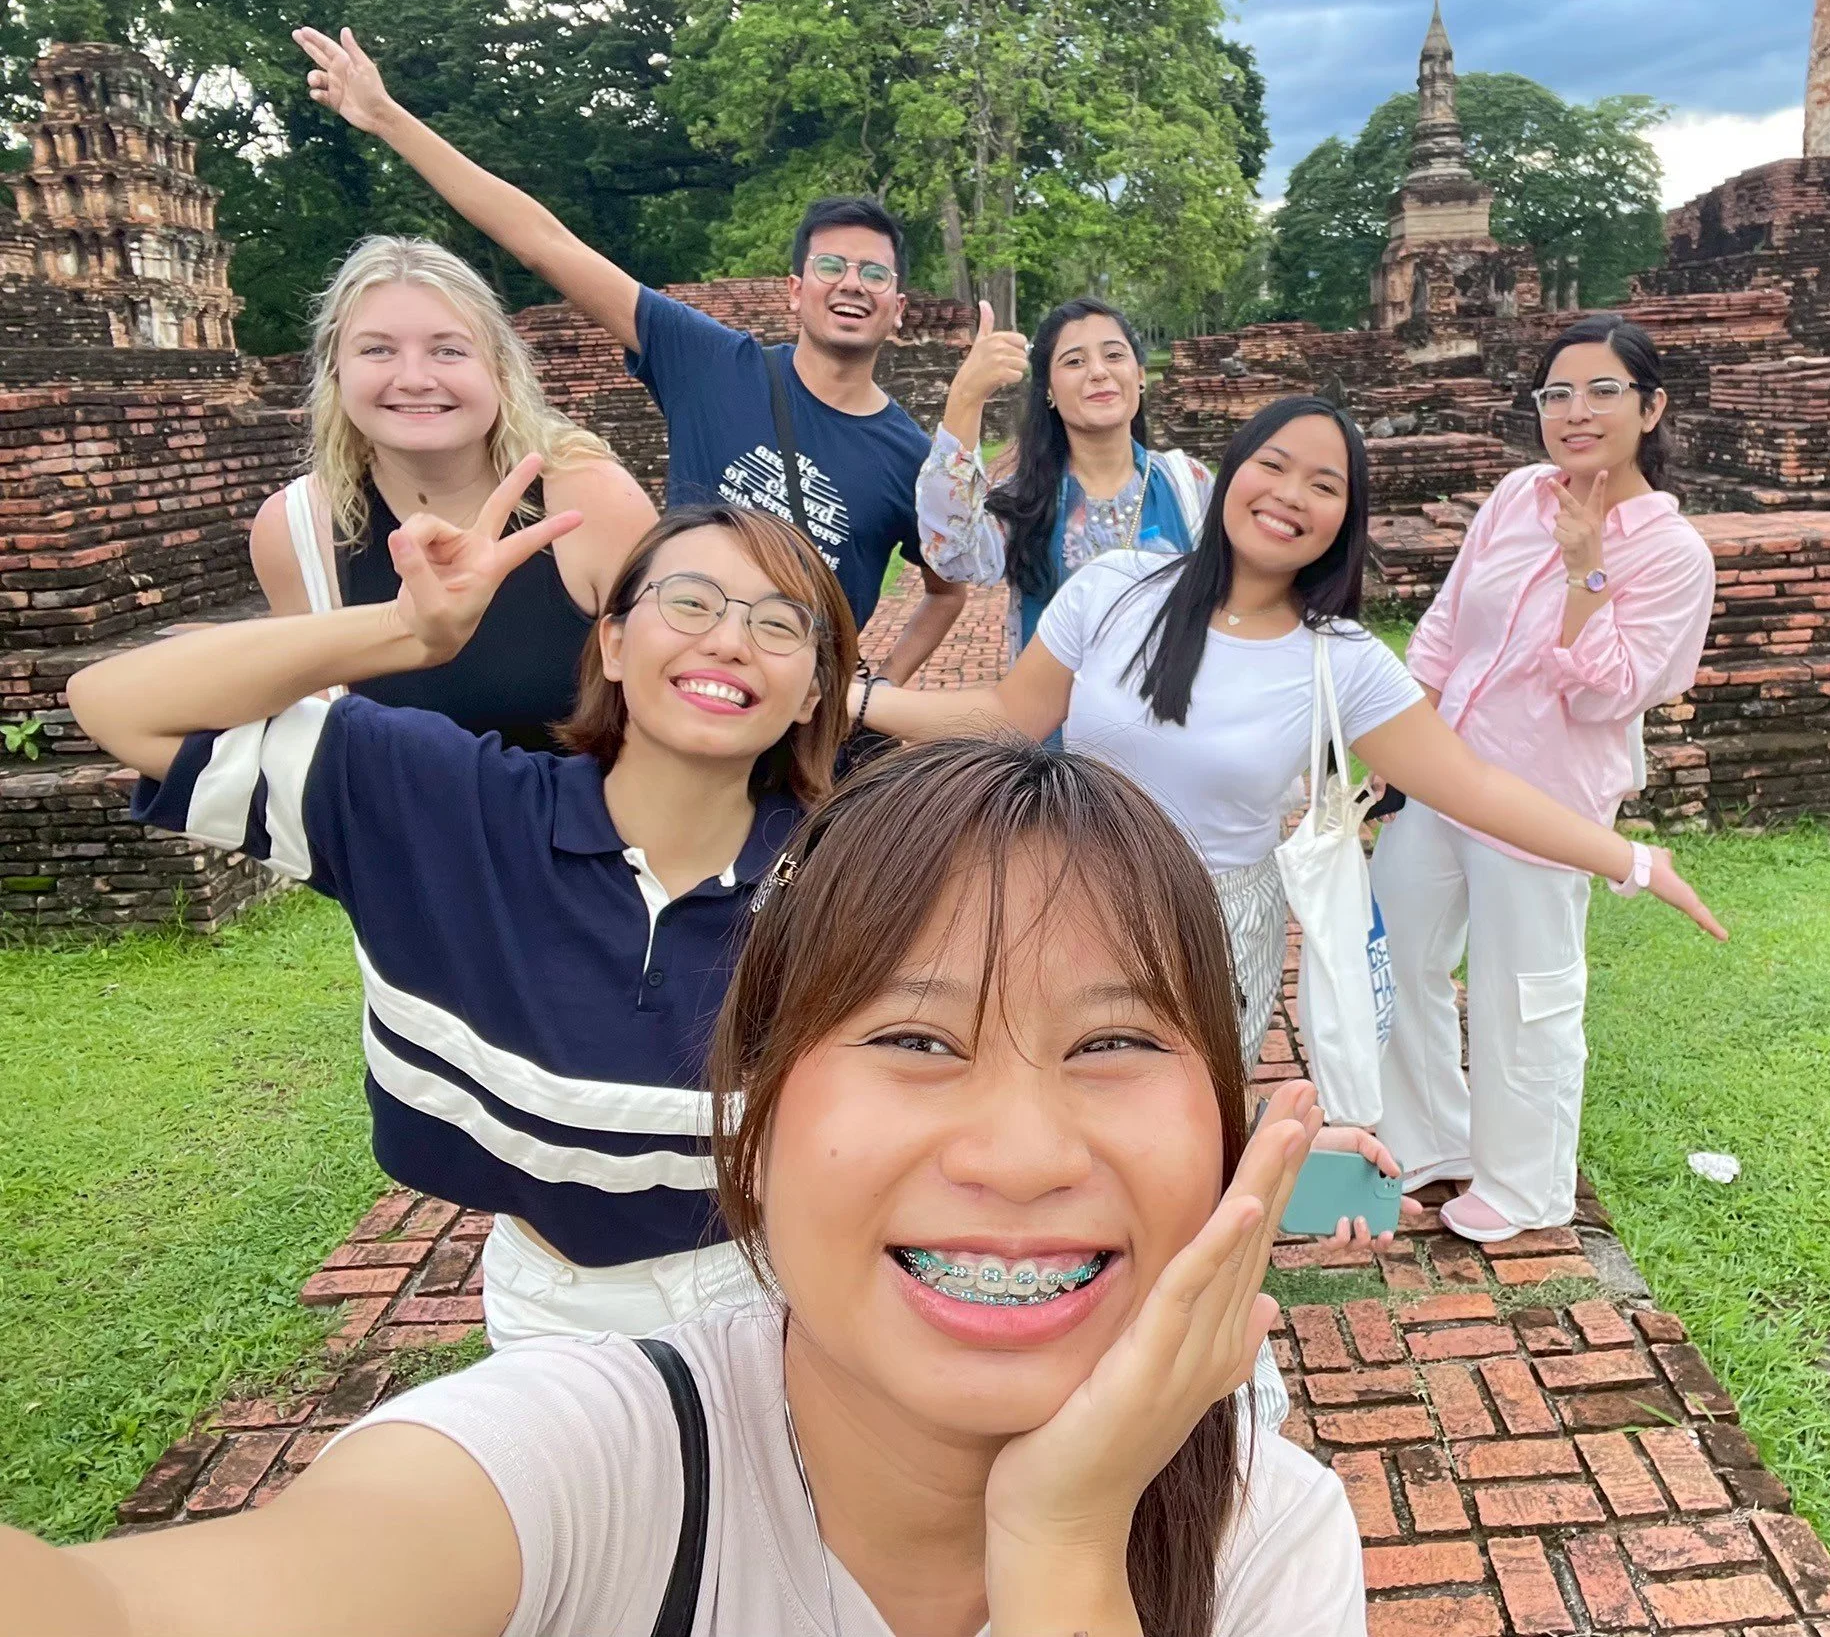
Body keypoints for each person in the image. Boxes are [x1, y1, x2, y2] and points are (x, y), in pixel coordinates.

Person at [8, 741, 1371, 1637]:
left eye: (1116, 1042)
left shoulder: (1266, 1541)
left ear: (1229, 1125)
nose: (1020, 1153)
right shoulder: (591, 1462)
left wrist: (1064, 1540)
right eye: (913, 1039)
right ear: (757, 1121)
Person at [67, 478, 857, 1344]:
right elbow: (115, 703)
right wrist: (406, 629)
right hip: (550, 1298)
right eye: (691, 602)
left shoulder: (848, 877)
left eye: (778, 625)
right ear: (616, 643)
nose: (730, 640)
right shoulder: (448, 804)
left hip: (775, 1283)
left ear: (815, 694)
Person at [856, 393, 1726, 1079]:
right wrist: (849, 700)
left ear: (1343, 522)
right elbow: (1007, 719)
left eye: (1324, 485)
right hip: (1073, 894)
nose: (1289, 496)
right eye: (1273, 465)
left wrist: (1632, 860)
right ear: (1231, 473)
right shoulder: (1117, 589)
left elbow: (1476, 786)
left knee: (1180, 1137)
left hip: (1214, 931)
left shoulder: (1337, 661)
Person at [291, 24, 966, 679]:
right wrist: (389, 120)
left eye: (874, 274)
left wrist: (874, 691)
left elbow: (946, 590)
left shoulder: (908, 454)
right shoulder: (710, 365)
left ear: (897, 306)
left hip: (805, 717)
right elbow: (544, 243)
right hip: (685, 686)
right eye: (832, 266)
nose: (852, 284)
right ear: (795, 289)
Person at [1372, 316, 1718, 1246]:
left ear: (1651, 407)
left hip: (1546, 803)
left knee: (1525, 994)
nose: (1576, 413)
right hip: (1446, 776)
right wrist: (1398, 743)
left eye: (1604, 391)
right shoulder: (1519, 493)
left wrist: (1585, 572)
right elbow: (1447, 625)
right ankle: (1428, 1133)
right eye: (1557, 393)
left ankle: (1525, 1185)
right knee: (1396, 950)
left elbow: (1613, 692)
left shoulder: (1674, 555)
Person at [248, 234, 658, 750]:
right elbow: (311, 738)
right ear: (335, 369)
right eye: (378, 350)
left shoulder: (591, 500)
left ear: (500, 369)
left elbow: (661, 715)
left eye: (448, 350)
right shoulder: (296, 527)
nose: (415, 379)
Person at [918, 296, 1211, 665]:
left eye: (1114, 355)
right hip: (1058, 720)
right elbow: (951, 555)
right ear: (1049, 392)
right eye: (1074, 361)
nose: (1099, 372)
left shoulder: (1188, 484)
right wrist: (965, 398)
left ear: (1139, 376)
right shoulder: (1025, 502)